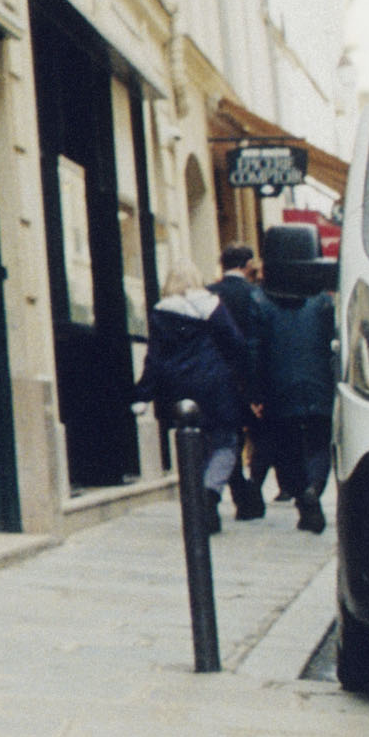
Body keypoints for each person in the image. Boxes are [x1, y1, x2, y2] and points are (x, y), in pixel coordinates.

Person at [136, 268, 250, 522]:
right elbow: (236, 343)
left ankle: (200, 507)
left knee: (191, 447)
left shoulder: (160, 313)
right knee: (225, 443)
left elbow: (154, 358)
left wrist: (143, 393)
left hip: (178, 388)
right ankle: (210, 492)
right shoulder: (212, 306)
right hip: (214, 383)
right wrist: (239, 376)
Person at [255, 218, 339, 534]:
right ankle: (313, 490)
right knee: (319, 445)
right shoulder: (321, 301)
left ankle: (304, 498)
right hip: (319, 385)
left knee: (286, 450)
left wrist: (254, 393)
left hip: (278, 388)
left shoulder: (260, 301)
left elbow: (254, 350)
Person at [213, 239, 274, 515]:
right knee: (264, 436)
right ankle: (253, 487)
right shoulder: (257, 295)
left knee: (229, 439)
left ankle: (241, 492)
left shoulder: (209, 295)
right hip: (254, 377)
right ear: (248, 265)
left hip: (219, 378)